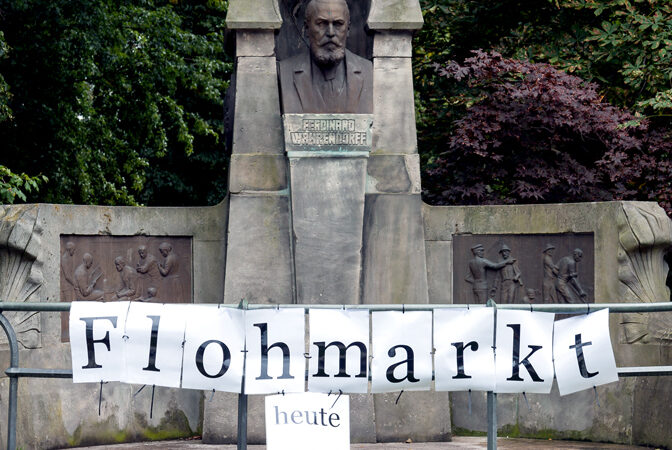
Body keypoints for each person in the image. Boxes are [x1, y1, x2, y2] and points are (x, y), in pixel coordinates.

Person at [277, 0, 373, 113]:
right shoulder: (285, 71)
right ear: (307, 28)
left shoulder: (368, 70)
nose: (331, 33)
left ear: (348, 29)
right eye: (321, 23)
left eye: (338, 24)